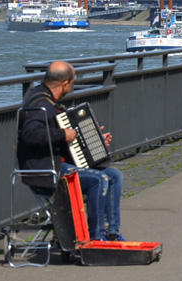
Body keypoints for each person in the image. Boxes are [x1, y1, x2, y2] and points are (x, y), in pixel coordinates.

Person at [16, 61, 124, 241]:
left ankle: (111, 232)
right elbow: (31, 134)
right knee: (99, 179)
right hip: (46, 171)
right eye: (72, 82)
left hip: (60, 164)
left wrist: (95, 141)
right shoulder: (40, 104)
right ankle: (95, 238)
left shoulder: (47, 100)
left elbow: (59, 141)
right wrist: (62, 134)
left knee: (115, 175)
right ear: (65, 83)